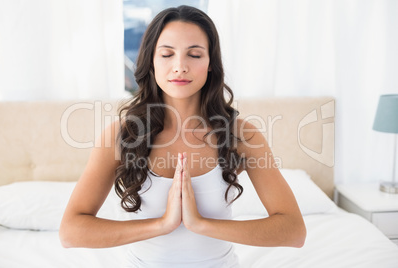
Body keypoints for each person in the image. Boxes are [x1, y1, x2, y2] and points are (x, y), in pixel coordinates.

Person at [59, 5, 306, 267]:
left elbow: (293, 230)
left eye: (195, 55)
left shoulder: (240, 135)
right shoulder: (121, 135)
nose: (180, 67)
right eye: (167, 54)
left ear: (211, 63)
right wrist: (162, 224)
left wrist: (200, 224)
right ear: (151, 62)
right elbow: (71, 231)